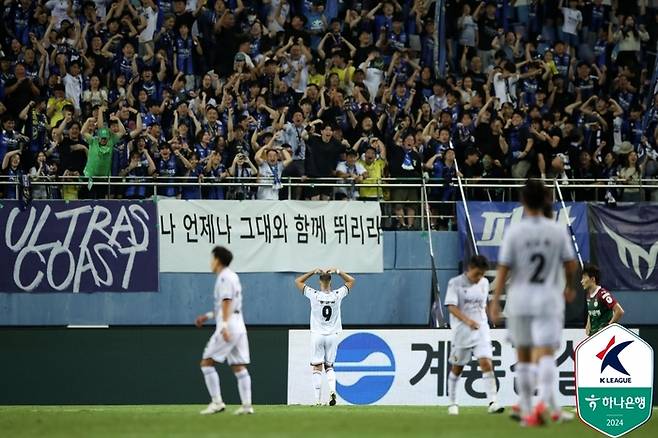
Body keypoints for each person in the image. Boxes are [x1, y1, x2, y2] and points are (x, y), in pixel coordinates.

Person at [490, 180, 578, 426]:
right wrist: (570, 287)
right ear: (546, 200)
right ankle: (551, 408)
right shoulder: (557, 230)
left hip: (520, 300)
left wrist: (495, 300)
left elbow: (503, 268)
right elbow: (571, 265)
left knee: (525, 355)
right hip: (549, 300)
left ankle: (528, 410)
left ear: (523, 201)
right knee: (547, 355)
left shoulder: (515, 231)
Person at [194, 246, 253, 416]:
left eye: (212, 258)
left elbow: (227, 302)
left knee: (206, 363)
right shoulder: (232, 276)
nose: (210, 263)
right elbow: (228, 305)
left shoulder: (224, 278)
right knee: (238, 366)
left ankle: (217, 402)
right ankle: (247, 405)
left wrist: (225, 326)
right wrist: (208, 316)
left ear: (218, 260)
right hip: (239, 323)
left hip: (229, 326)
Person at [445, 255, 504, 416]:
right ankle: (453, 403)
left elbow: (481, 305)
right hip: (462, 332)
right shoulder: (455, 283)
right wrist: (468, 321)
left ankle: (493, 402)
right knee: (457, 368)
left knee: (486, 363)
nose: (480, 278)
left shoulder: (484, 283)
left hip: (481, 330)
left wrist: (489, 315)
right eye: (477, 274)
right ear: (469, 269)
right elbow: (451, 307)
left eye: (482, 274)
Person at [294, 267, 356, 406]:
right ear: (331, 282)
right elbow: (351, 281)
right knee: (329, 367)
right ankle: (332, 390)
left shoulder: (314, 294)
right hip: (332, 335)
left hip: (317, 334)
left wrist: (311, 271)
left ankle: (317, 400)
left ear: (320, 282)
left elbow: (298, 281)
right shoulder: (337, 295)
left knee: (317, 367)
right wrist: (338, 271)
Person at [582, 264, 624, 336]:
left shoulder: (603, 294)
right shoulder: (588, 295)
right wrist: (588, 324)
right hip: (593, 335)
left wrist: (607, 328)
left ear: (592, 279)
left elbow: (619, 311)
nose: (581, 281)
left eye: (584, 278)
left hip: (605, 337)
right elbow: (591, 312)